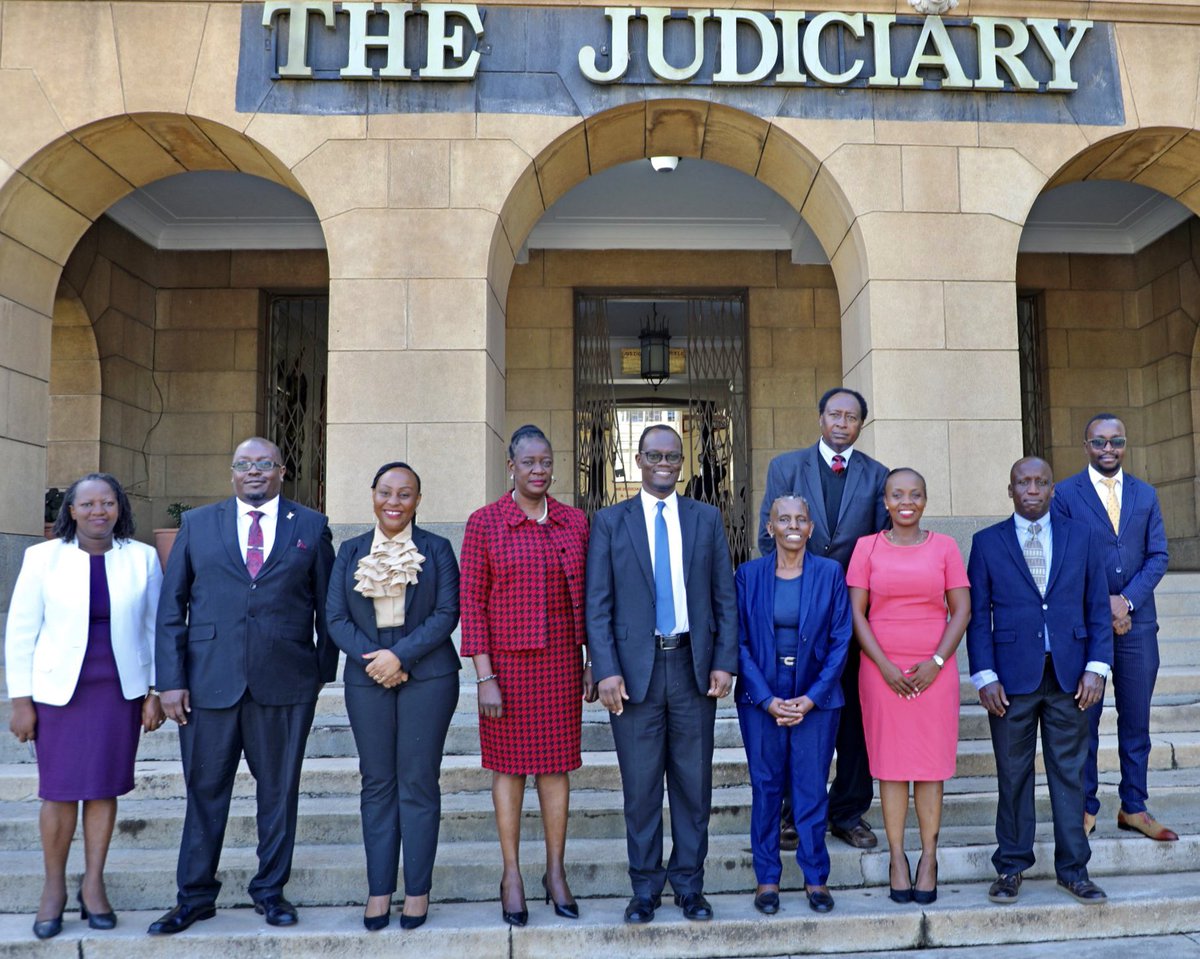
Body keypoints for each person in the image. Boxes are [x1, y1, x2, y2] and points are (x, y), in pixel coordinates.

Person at [149, 437, 336, 934]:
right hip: (208, 683)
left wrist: (319, 674)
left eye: (264, 464)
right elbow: (172, 609)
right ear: (232, 472)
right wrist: (169, 681)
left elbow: (328, 608)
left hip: (286, 684)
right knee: (204, 790)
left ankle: (271, 892)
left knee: (279, 793)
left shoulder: (311, 527)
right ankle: (194, 896)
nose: (254, 472)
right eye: (244, 464)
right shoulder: (198, 524)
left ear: (281, 471)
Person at [586, 424, 737, 925]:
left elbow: (724, 597)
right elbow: (598, 603)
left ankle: (690, 886)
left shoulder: (706, 518)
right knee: (642, 787)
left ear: (682, 460)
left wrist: (724, 660)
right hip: (634, 674)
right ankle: (645, 889)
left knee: (694, 787)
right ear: (639, 458)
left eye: (673, 455)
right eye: (655, 454)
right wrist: (604, 668)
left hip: (693, 667)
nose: (665, 463)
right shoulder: (610, 522)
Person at [5, 473, 164, 940]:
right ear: (70, 510)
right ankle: (53, 888)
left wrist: (154, 690)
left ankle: (93, 885)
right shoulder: (42, 558)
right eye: (88, 504)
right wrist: (20, 701)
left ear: (119, 509)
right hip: (58, 694)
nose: (99, 511)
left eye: (108, 503)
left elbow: (157, 629)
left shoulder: (142, 559)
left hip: (118, 691)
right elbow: (20, 632)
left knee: (103, 788)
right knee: (57, 791)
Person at [460, 425, 593, 926]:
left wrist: (589, 660)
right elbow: (471, 601)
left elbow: (591, 595)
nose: (539, 470)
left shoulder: (573, 521)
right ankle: (512, 873)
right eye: (529, 462)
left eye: (546, 461)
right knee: (510, 769)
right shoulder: (485, 523)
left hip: (559, 661)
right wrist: (484, 675)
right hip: (507, 669)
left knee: (556, 768)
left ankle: (555, 872)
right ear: (510, 466)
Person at [966, 457, 1113, 906]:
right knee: (1012, 775)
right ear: (1009, 490)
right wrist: (985, 675)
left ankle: (1074, 869)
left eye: (1040, 482)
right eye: (1022, 482)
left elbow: (1098, 608)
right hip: (1010, 681)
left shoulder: (1083, 537)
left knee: (1070, 774)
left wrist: (1097, 667)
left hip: (1071, 676)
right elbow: (977, 617)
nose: (1032, 489)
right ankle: (1011, 866)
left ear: (1053, 489)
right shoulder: (987, 542)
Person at [327, 461, 461, 931]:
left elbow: (447, 613)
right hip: (368, 676)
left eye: (405, 494)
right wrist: (377, 660)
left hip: (429, 675)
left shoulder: (438, 549)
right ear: (372, 495)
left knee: (419, 782)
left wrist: (400, 657)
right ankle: (380, 889)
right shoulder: (350, 551)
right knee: (377, 783)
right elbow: (336, 618)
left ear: (418, 501)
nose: (394, 502)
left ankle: (419, 892)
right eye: (386, 492)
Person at [757, 387, 889, 850]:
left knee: (853, 720)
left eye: (851, 417)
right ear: (820, 418)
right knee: (797, 720)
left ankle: (848, 811)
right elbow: (765, 536)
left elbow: (878, 549)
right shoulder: (785, 468)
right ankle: (792, 814)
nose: (841, 423)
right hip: (795, 621)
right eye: (834, 414)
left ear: (860, 425)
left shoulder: (877, 476)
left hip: (852, 618)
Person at [846, 468, 970, 905]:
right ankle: (898, 858)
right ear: (884, 501)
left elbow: (961, 610)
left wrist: (937, 662)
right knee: (892, 767)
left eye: (915, 494)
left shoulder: (945, 547)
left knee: (931, 767)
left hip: (935, 672)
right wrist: (883, 664)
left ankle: (929, 858)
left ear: (925, 499)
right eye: (897, 494)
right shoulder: (866, 548)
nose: (906, 501)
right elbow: (857, 613)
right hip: (881, 672)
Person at [1051, 414, 1174, 841]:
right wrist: (1105, 603)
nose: (1109, 449)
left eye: (1116, 441)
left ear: (1125, 444)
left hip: (1138, 626)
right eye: (1100, 441)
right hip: (1087, 627)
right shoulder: (1065, 494)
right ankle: (1085, 808)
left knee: (1136, 721)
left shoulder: (1146, 494)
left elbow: (1158, 555)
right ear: (1086, 445)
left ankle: (1134, 806)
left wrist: (1127, 600)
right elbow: (1063, 555)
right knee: (1085, 721)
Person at [736, 494, 852, 916]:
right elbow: (739, 641)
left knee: (809, 789)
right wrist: (766, 700)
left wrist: (812, 697)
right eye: (783, 518)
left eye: (800, 519)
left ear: (810, 528)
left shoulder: (830, 574)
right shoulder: (748, 575)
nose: (792, 525)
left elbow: (842, 640)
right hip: (760, 695)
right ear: (769, 528)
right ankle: (767, 878)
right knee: (766, 787)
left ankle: (815, 877)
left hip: (816, 697)